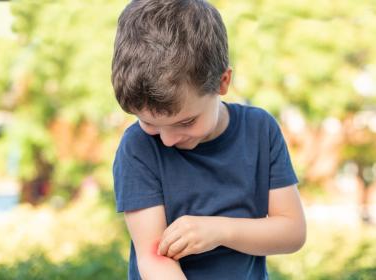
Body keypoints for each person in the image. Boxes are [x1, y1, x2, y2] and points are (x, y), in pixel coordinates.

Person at [111, 0, 306, 279]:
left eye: (186, 121)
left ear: (222, 82)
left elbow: (292, 231)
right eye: (150, 123)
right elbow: (153, 259)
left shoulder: (260, 131)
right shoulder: (138, 148)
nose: (167, 140)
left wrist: (219, 231)